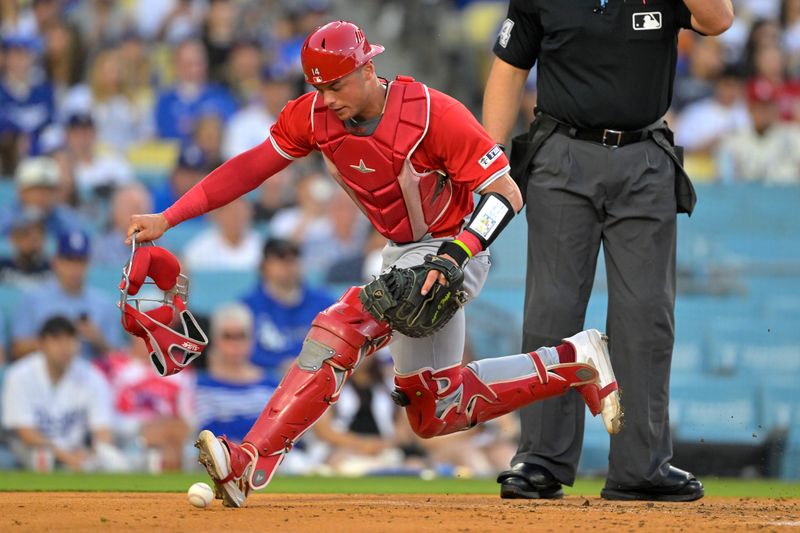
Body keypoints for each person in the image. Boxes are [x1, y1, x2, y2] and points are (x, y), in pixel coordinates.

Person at [126, 21, 620, 508]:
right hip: (403, 250)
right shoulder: (314, 115)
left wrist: (458, 254)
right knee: (434, 410)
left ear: (368, 67)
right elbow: (250, 168)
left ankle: (249, 460)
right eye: (318, 87)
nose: (327, 98)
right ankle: (572, 361)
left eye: (336, 84)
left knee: (342, 323)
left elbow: (506, 192)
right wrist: (168, 217)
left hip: (453, 243)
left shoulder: (430, 112)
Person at [482, 1, 733, 502]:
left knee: (647, 315)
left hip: (645, 158)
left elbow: (717, 20)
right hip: (561, 153)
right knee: (552, 310)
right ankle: (541, 458)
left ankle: (641, 467)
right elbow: (509, 69)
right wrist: (490, 164)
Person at [1, 316, 127, 472]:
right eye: (56, 339)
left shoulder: (92, 376)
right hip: (29, 451)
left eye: (70, 339)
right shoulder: (19, 374)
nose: (64, 346)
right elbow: (26, 433)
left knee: (114, 459)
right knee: (35, 457)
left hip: (78, 451)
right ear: (41, 344)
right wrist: (68, 458)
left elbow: (102, 431)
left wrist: (92, 454)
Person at [11, 229, 122, 359]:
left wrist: (97, 339)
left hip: (89, 373)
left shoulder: (104, 303)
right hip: (43, 374)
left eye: (80, 261)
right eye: (69, 260)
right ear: (55, 261)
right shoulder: (34, 298)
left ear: (89, 264)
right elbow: (18, 349)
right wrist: (57, 339)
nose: (74, 268)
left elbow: (118, 358)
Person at [240, 238, 334, 378]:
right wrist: (279, 364)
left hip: (316, 378)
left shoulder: (324, 304)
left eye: (294, 258)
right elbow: (241, 350)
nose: (289, 264)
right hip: (263, 382)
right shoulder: (248, 307)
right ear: (264, 265)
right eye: (281, 258)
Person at [195, 303, 276, 444]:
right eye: (228, 336)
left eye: (241, 336)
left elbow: (278, 430)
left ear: (252, 339)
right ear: (215, 340)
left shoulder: (271, 385)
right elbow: (206, 432)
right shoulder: (201, 385)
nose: (235, 343)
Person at [182, 196, 262, 272]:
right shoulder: (200, 248)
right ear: (218, 215)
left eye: (241, 211)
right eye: (231, 212)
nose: (236, 217)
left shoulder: (259, 244)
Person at [0, 208, 50, 288]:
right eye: (25, 234)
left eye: (38, 234)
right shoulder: (2, 266)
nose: (32, 240)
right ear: (14, 237)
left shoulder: (52, 270)